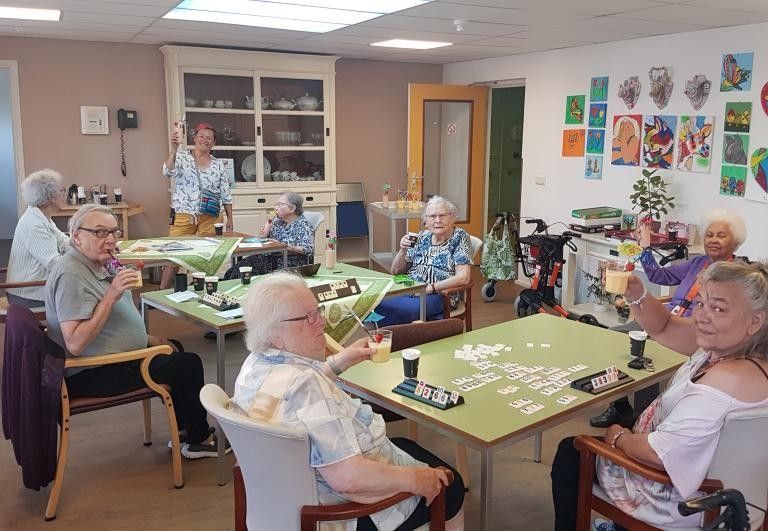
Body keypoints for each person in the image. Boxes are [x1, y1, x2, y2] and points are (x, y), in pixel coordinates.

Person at [230, 272, 465, 531]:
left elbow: (294, 395)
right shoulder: (306, 387)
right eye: (307, 317)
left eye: (317, 311)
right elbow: (348, 479)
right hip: (339, 511)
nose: (321, 322)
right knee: (451, 486)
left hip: (278, 496)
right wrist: (418, 479)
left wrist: (341, 360)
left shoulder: (255, 364)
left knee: (406, 445)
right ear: (276, 334)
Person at [551, 260, 768, 530]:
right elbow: (665, 327)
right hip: (728, 493)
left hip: (677, 501)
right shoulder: (741, 353)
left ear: (754, 321)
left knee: (572, 452)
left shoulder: (720, 386)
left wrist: (619, 437)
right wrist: (638, 295)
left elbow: (659, 455)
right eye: (700, 303)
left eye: (718, 308)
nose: (701, 316)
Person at [45, 204, 227, 459]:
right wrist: (111, 295)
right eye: (99, 233)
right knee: (188, 364)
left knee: (174, 347)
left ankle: (186, 431)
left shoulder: (90, 263)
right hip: (89, 373)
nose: (109, 240)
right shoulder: (71, 275)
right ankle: (199, 439)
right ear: (76, 236)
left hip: (110, 359)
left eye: (113, 232)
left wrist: (149, 339)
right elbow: (75, 344)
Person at [591, 208, 748, 428]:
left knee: (647, 355)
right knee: (614, 337)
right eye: (709, 235)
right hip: (665, 319)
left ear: (736, 241)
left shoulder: (738, 274)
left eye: (721, 235)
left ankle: (642, 416)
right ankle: (620, 405)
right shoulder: (698, 263)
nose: (713, 240)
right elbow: (658, 275)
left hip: (692, 332)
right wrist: (646, 249)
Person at [377, 196, 471, 326]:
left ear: (453, 217)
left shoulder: (459, 237)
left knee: (407, 310)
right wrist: (403, 250)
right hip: (409, 288)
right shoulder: (421, 237)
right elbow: (396, 272)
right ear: (425, 221)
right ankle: (390, 339)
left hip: (439, 294)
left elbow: (463, 277)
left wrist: (431, 288)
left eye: (442, 215)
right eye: (432, 216)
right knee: (375, 302)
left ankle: (397, 339)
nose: (437, 220)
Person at [160, 122, 233, 288]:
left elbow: (225, 193)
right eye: (202, 136)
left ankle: (204, 287)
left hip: (211, 215)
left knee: (209, 253)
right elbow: (167, 171)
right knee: (174, 254)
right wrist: (174, 149)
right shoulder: (182, 157)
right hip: (184, 214)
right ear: (194, 138)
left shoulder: (218, 165)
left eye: (209, 138)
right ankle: (160, 290)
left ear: (214, 143)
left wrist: (230, 218)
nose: (205, 140)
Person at [6, 169, 69, 308]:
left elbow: (65, 242)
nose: (65, 194)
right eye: (62, 190)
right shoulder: (35, 224)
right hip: (28, 295)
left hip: (34, 289)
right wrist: (86, 261)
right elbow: (55, 264)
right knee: (87, 299)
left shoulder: (43, 217)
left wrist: (91, 248)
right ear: (51, 196)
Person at [224, 191, 314, 278]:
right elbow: (267, 241)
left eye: (280, 204)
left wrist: (285, 246)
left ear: (292, 208)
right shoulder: (278, 222)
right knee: (233, 271)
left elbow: (308, 249)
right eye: (276, 204)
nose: (275, 207)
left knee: (240, 273)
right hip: (269, 257)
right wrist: (265, 235)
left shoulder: (303, 225)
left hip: (287, 261)